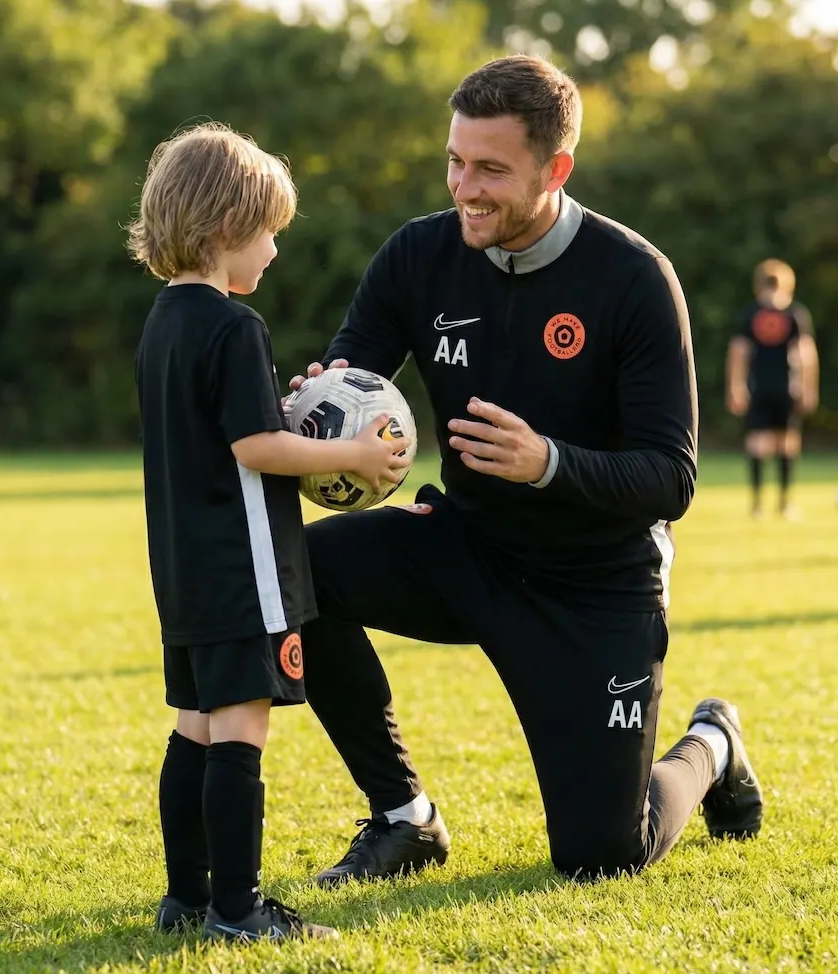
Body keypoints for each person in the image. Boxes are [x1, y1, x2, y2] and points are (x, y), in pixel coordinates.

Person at [290, 56, 764, 887]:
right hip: (467, 548)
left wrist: (548, 463)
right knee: (299, 571)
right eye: (455, 161)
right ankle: (405, 819)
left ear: (556, 170)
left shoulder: (633, 279)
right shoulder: (417, 256)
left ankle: (714, 742)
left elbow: (671, 480)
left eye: (491, 170)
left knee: (601, 855)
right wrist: (318, 412)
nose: (464, 187)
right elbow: (351, 380)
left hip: (595, 584)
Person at [129, 122, 408, 942]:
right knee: (242, 727)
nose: (276, 253)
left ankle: (186, 900)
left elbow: (221, 434)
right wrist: (350, 448)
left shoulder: (162, 324)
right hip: (244, 566)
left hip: (183, 565)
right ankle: (240, 909)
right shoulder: (232, 327)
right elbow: (255, 447)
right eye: (270, 234)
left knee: (196, 723)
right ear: (225, 230)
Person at [725, 259, 819, 518]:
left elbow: (738, 353)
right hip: (777, 388)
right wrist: (809, 388)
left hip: (771, 388)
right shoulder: (792, 315)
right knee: (778, 444)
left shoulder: (756, 314)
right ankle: (777, 504)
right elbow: (805, 355)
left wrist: (735, 386)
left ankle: (766, 504)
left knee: (770, 443)